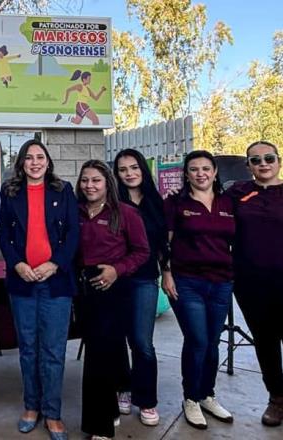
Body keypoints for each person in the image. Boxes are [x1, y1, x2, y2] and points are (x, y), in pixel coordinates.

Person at [0, 139, 78, 440]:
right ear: (21, 163)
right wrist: (16, 264)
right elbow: (3, 232)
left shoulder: (62, 190)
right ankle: (31, 407)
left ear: (47, 161)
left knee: (53, 351)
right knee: (28, 349)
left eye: (39, 157)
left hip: (55, 282)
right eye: (28, 158)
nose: (34, 162)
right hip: (23, 282)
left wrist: (55, 263)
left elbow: (73, 234)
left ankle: (53, 413)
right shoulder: (10, 192)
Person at [76, 160, 149, 440]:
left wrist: (116, 271)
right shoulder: (77, 211)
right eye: (85, 180)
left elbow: (142, 252)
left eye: (96, 180)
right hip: (83, 289)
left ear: (107, 183)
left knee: (98, 358)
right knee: (107, 352)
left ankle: (100, 427)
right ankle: (116, 402)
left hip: (113, 289)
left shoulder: (126, 214)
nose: (90, 186)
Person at [162, 150, 235, 431]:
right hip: (187, 281)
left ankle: (207, 394)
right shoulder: (177, 203)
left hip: (221, 282)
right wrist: (166, 274)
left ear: (215, 172)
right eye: (194, 169)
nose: (200, 174)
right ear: (186, 174)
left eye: (206, 168)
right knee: (198, 340)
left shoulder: (229, 202)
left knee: (213, 342)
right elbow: (164, 242)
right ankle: (190, 398)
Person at [227, 141, 283, 427]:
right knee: (266, 341)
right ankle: (277, 398)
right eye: (256, 160)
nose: (263, 164)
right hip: (250, 282)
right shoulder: (237, 192)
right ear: (248, 165)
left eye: (269, 158)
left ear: (278, 161)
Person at [112, 149, 167, 426]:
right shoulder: (113, 202)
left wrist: (166, 272)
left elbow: (162, 245)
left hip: (145, 279)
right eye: (123, 170)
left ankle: (147, 400)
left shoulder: (156, 202)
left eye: (134, 168)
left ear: (142, 170)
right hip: (116, 279)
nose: (129, 173)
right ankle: (123, 388)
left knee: (143, 342)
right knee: (119, 337)